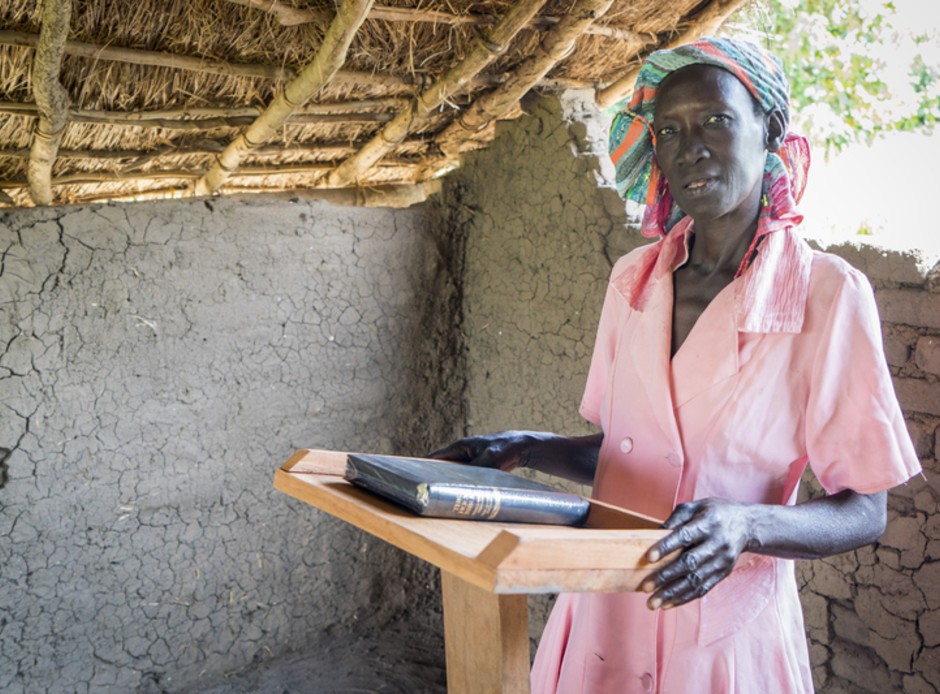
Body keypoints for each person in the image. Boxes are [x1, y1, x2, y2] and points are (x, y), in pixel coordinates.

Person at [431, 37, 922, 693]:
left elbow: (865, 510)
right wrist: (523, 447)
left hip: (721, 637)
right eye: (669, 129)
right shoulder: (635, 280)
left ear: (769, 130)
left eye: (716, 119)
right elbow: (631, 453)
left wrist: (747, 524)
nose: (691, 145)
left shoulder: (826, 296)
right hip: (602, 609)